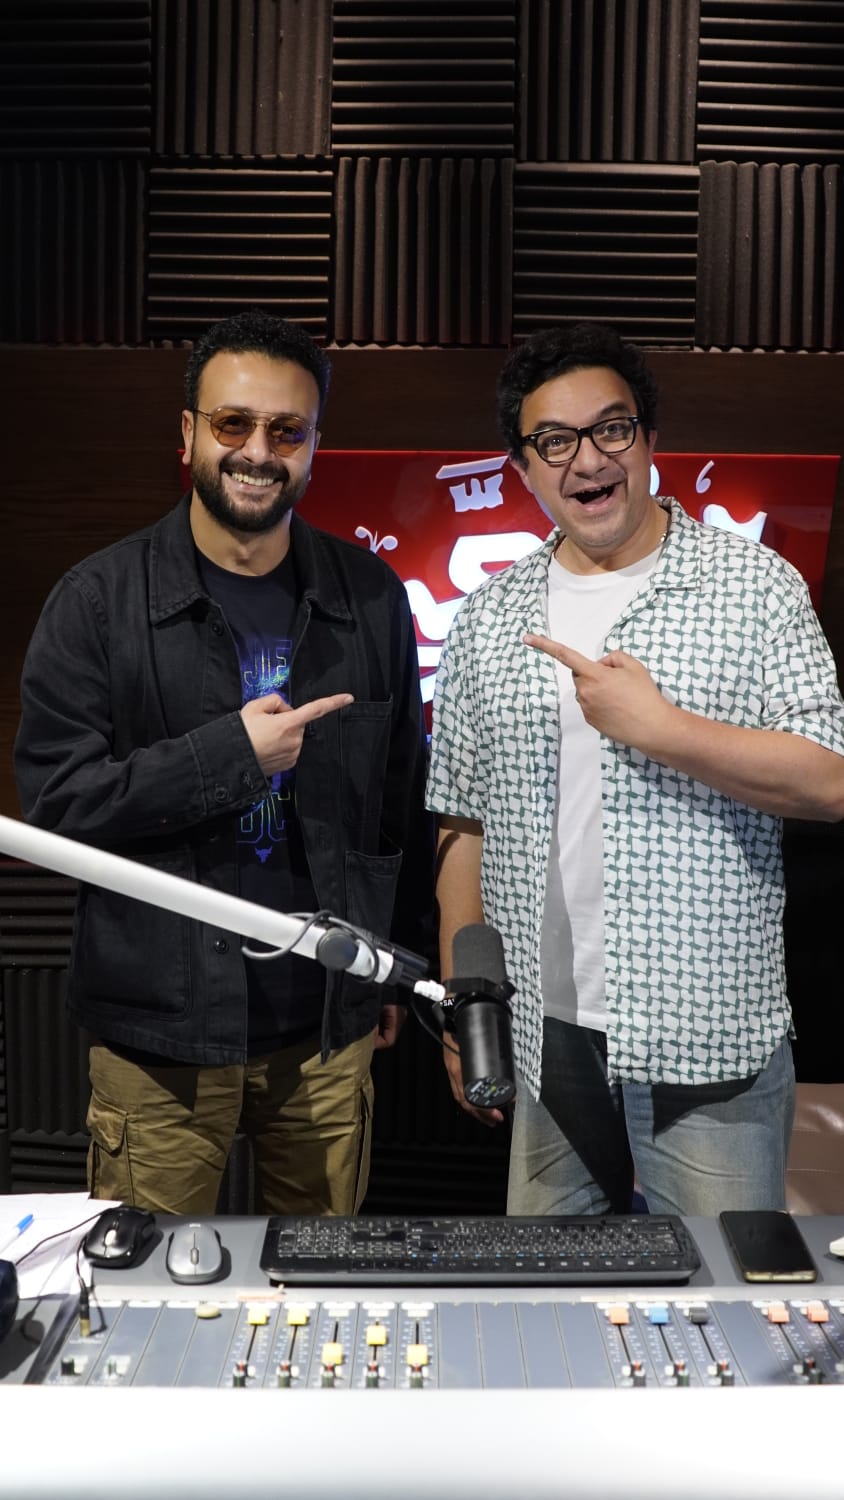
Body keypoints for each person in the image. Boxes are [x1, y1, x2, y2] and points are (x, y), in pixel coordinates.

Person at [15, 307, 433, 1216]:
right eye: (233, 423)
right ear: (189, 433)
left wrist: (393, 964)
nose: (258, 451)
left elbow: (399, 798)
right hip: (158, 1039)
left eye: (287, 430)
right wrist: (230, 755)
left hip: (325, 1029)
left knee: (319, 1281)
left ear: (314, 446)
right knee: (145, 1288)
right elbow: (56, 806)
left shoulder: (370, 597)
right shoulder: (98, 601)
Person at [427, 321, 844, 1217]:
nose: (588, 460)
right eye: (555, 441)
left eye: (611, 429)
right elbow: (462, 821)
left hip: (709, 1038)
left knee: (726, 1290)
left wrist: (661, 729)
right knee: (544, 1294)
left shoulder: (755, 586)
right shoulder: (491, 616)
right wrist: (470, 1000)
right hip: (543, 1036)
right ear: (524, 467)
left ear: (650, 439)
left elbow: (829, 779)